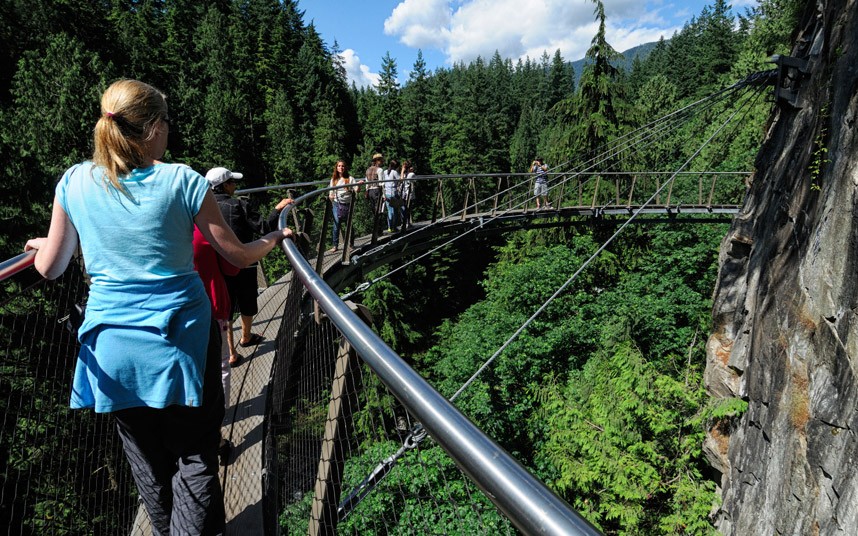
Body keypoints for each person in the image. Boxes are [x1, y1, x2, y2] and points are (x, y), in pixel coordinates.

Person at [24, 79, 292, 536]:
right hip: (180, 342)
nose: (169, 129)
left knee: (147, 461)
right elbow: (237, 255)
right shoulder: (181, 180)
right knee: (194, 456)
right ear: (150, 129)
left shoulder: (75, 180)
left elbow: (49, 268)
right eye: (165, 121)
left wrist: (47, 244)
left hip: (111, 349)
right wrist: (273, 238)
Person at [208, 167, 292, 362]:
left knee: (226, 306)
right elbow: (263, 227)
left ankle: (230, 352)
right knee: (247, 301)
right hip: (243, 262)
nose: (235, 185)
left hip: (218, 265)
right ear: (225, 185)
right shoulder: (238, 205)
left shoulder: (204, 209)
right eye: (232, 182)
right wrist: (277, 210)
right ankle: (246, 337)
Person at [192, 225, 239, 465]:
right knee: (220, 366)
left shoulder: (159, 229)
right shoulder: (203, 231)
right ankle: (218, 426)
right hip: (211, 305)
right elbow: (233, 266)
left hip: (177, 315)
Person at [328, 159, 359, 252]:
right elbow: (331, 193)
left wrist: (358, 186)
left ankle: (351, 244)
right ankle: (335, 245)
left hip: (348, 204)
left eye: (343, 166)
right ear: (336, 168)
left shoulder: (350, 178)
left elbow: (356, 189)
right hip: (337, 204)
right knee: (336, 223)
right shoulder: (333, 180)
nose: (341, 168)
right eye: (339, 166)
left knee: (349, 224)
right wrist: (331, 196)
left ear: (345, 168)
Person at [363, 153, 384, 224]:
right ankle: (379, 229)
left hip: (370, 191)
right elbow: (381, 183)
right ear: (377, 160)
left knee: (374, 210)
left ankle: (376, 228)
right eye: (381, 160)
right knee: (379, 209)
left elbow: (367, 182)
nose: (382, 161)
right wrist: (384, 195)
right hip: (377, 191)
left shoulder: (368, 170)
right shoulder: (380, 170)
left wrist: (366, 191)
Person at [382, 159, 401, 232]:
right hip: (393, 193)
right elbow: (401, 180)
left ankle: (389, 227)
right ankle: (394, 227)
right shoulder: (394, 172)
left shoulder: (385, 172)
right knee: (394, 211)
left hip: (387, 193)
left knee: (389, 211)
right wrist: (402, 172)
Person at [399, 160, 416, 228]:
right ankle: (407, 223)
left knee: (403, 208)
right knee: (408, 209)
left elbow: (401, 180)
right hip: (409, 194)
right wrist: (411, 171)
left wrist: (402, 171)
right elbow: (415, 180)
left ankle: (404, 223)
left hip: (403, 194)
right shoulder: (411, 174)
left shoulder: (404, 174)